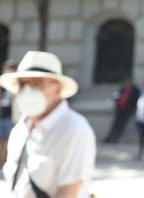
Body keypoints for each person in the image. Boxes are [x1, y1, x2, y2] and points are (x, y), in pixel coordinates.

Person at [1, 51, 96, 198]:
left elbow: (69, 192)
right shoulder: (20, 128)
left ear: (57, 87)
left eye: (37, 83)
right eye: (23, 84)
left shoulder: (74, 128)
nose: (28, 91)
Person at [103, 78, 139, 144]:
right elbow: (116, 96)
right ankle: (108, 139)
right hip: (120, 110)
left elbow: (135, 101)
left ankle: (115, 139)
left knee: (121, 126)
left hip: (127, 111)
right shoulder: (122, 90)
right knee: (114, 125)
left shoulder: (135, 91)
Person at [0, 59, 17, 168]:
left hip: (11, 117)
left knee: (8, 143)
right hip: (1, 116)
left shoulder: (17, 84)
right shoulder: (1, 84)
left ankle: (5, 165)